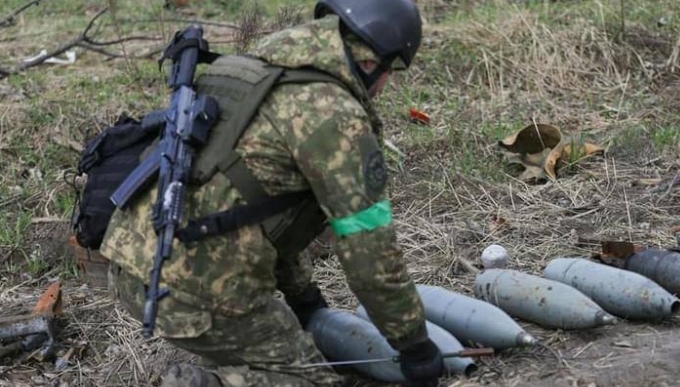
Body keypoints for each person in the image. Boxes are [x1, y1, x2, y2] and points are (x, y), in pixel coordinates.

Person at [99, 0, 444, 386]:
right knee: (315, 382)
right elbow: (371, 252)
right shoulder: (333, 116)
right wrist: (415, 345)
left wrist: (305, 301)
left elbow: (257, 204)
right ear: (370, 62)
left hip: (130, 265)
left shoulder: (252, 71)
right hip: (191, 294)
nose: (386, 85)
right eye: (393, 70)